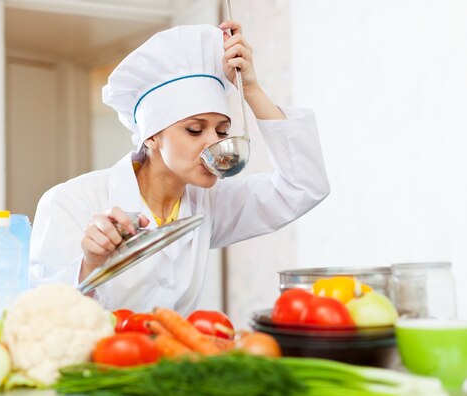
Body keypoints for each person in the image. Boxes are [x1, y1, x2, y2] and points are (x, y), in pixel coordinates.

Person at [29, 21, 330, 314]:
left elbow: (302, 186)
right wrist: (90, 263)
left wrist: (249, 88)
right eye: (195, 130)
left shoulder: (209, 202)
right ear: (152, 136)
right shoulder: (70, 201)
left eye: (222, 132)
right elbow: (41, 314)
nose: (213, 143)